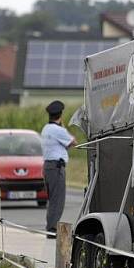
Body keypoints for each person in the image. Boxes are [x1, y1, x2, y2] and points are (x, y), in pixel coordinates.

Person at [41, 100, 76, 238]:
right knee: (58, 200)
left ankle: (50, 227)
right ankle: (52, 229)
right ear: (60, 115)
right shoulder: (58, 130)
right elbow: (73, 142)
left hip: (48, 167)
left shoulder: (46, 129)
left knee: (52, 199)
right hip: (57, 167)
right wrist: (64, 129)